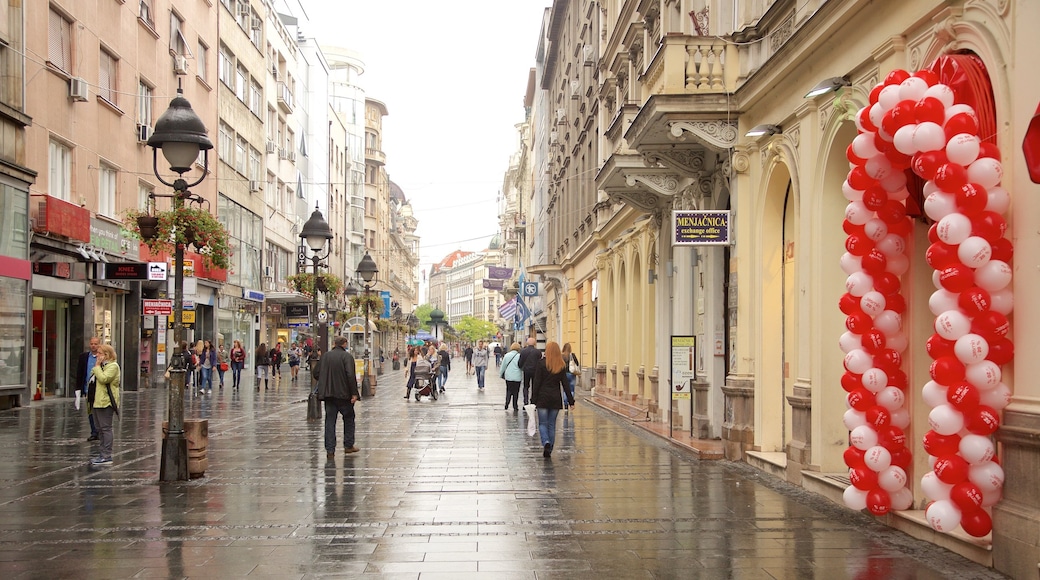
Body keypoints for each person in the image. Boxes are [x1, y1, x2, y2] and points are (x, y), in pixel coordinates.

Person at [314, 336, 361, 459]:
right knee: (349, 418)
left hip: (328, 394)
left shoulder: (325, 356)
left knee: (330, 421)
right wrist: (354, 393)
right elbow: (350, 376)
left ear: (334, 344)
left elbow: (316, 373)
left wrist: (325, 380)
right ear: (344, 344)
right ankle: (348, 445)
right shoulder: (347, 357)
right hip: (344, 394)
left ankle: (330, 450)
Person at [531, 341, 575, 458]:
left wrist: (533, 400)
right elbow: (565, 385)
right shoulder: (560, 365)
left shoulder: (541, 364)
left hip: (542, 398)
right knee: (551, 424)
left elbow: (536, 383)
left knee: (542, 423)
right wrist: (571, 401)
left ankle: (546, 442)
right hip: (555, 398)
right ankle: (549, 448)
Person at [89, 344, 121, 466]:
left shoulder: (113, 366)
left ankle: (106, 455)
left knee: (106, 428)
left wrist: (97, 366)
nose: (97, 355)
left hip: (105, 402)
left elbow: (104, 379)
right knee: (99, 428)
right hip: (96, 401)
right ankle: (102, 453)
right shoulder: (102, 366)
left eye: (100, 353)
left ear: (107, 355)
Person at [74, 336, 101, 442]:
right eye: (92, 343)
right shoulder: (84, 357)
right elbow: (80, 373)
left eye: (95, 344)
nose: (93, 346)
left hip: (99, 389)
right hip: (87, 388)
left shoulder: (102, 357)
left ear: (99, 344)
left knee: (98, 411)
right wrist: (78, 388)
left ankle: (99, 430)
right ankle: (94, 432)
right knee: (90, 411)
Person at [518, 338, 542, 409]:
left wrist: (521, 367)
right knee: (535, 386)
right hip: (536, 371)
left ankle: (525, 402)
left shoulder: (523, 351)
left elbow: (520, 362)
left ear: (527, 343)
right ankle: (533, 402)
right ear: (534, 343)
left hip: (526, 371)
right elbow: (540, 361)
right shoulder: (538, 352)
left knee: (526, 386)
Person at [500, 342, 523, 411]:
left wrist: (501, 374)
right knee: (516, 392)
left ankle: (507, 403)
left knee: (509, 390)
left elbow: (503, 366)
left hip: (509, 376)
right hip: (517, 376)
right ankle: (515, 406)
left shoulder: (507, 355)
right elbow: (521, 366)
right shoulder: (520, 356)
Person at [561, 342, 580, 412]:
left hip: (564, 374)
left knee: (565, 389)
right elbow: (577, 363)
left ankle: (565, 405)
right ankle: (570, 403)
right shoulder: (572, 355)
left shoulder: (561, 355)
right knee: (571, 389)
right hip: (572, 374)